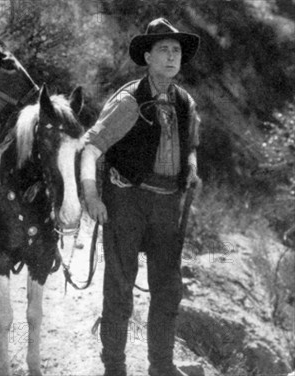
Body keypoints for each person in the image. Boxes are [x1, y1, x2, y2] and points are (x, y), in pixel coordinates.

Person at [81, 18, 201, 376]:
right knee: (119, 291)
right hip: (126, 200)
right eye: (163, 49)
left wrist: (191, 166)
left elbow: (191, 147)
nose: (171, 56)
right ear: (147, 56)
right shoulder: (129, 102)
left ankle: (161, 367)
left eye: (176, 50)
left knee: (168, 291)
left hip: (168, 205)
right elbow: (90, 148)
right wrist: (91, 196)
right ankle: (114, 367)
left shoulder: (185, 103)